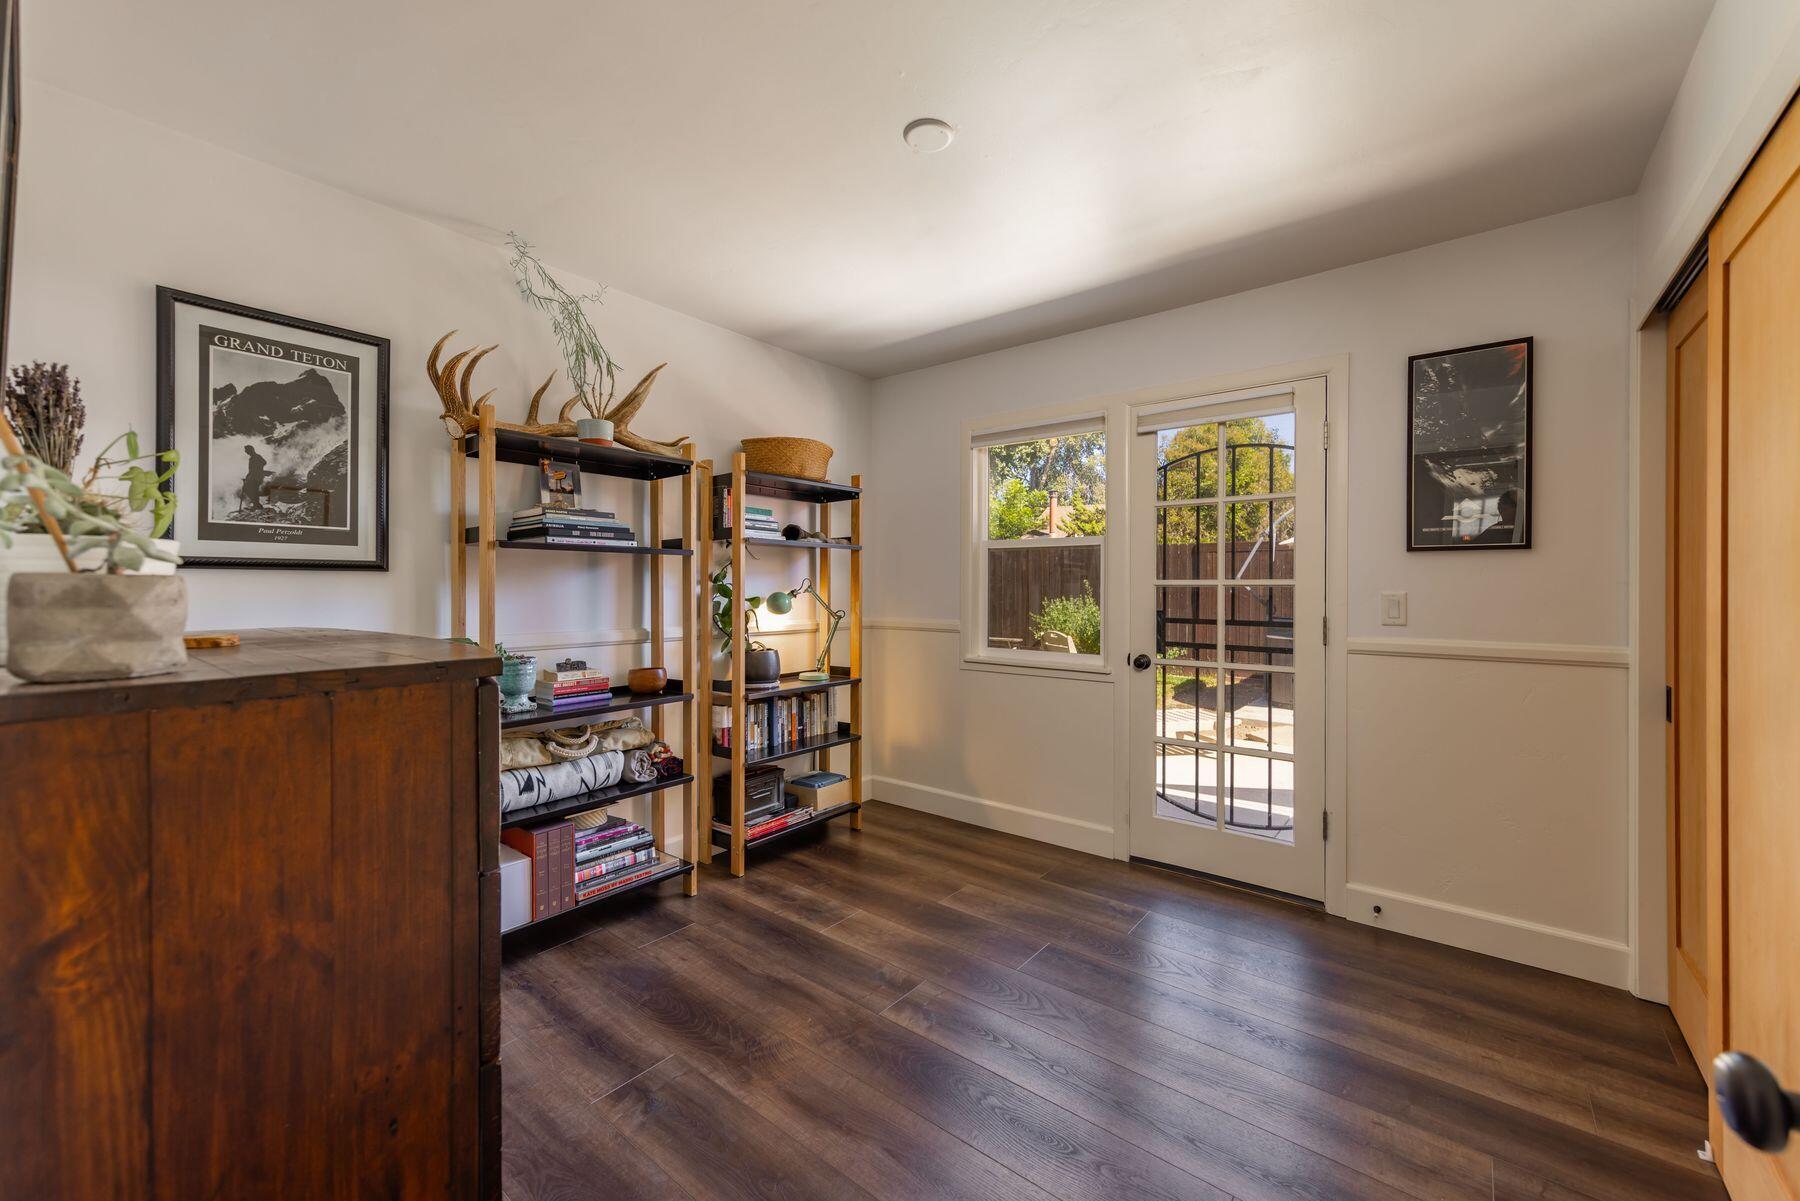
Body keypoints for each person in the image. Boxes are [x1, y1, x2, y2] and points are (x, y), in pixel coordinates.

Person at [239, 444, 269, 512]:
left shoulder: (257, 457)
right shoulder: (252, 458)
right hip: (253, 477)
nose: (246, 452)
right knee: (251, 490)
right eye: (246, 451)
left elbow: (264, 462)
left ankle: (257, 505)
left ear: (251, 450)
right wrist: (247, 476)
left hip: (256, 477)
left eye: (247, 451)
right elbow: (251, 470)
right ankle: (257, 505)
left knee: (249, 490)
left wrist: (258, 469)